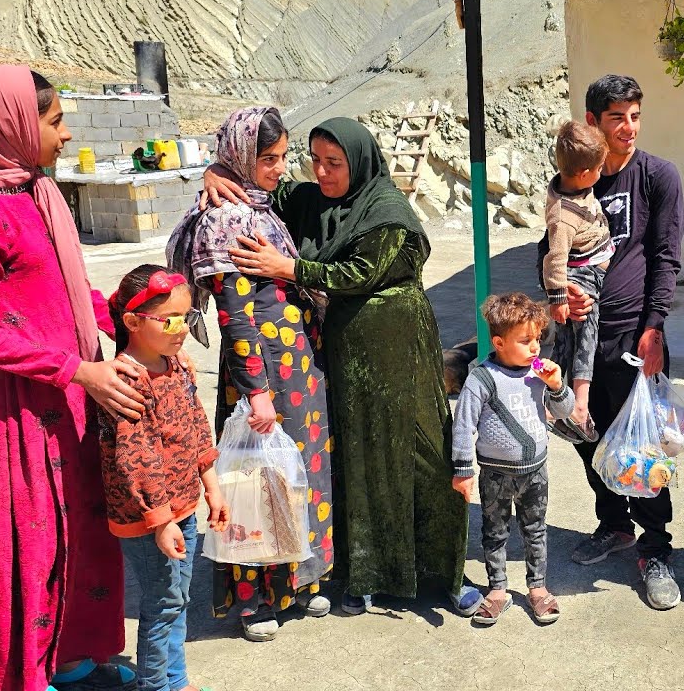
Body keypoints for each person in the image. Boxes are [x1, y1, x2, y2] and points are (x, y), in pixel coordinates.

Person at [206, 116, 482, 618]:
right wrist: (214, 170)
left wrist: (293, 269)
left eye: (335, 163)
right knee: (356, 459)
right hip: (341, 353)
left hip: (397, 348)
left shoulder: (387, 213)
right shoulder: (312, 201)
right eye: (316, 160)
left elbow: (359, 273)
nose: (323, 171)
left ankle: (444, 573)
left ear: (359, 161)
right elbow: (258, 174)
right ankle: (364, 574)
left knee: (421, 452)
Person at [0, 65, 145, 691]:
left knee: (77, 539)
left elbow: (59, 285)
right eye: (54, 121)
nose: (64, 136)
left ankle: (71, 662)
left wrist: (122, 315)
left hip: (68, 400)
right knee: (25, 554)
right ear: (11, 123)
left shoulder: (35, 191)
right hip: (14, 416)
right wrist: (76, 369)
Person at [167, 106, 334, 642]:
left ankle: (296, 584)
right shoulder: (225, 218)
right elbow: (235, 314)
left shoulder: (257, 207)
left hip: (298, 373)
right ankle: (253, 599)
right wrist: (257, 391)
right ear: (240, 157)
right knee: (253, 484)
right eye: (268, 159)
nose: (280, 168)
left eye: (284, 157)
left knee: (295, 477)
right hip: (263, 373)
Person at [543, 74, 684, 611]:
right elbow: (548, 244)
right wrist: (559, 297)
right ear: (594, 123)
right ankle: (614, 524)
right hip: (581, 337)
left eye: (635, 116)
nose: (628, 129)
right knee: (588, 433)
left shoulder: (657, 177)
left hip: (633, 334)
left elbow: (666, 259)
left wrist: (654, 329)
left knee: (644, 447)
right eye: (616, 118)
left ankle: (656, 548)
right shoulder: (577, 175)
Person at [100, 265, 230, 691]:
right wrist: (160, 520)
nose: (183, 330)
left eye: (189, 318)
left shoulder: (178, 364)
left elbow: (195, 426)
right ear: (133, 322)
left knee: (178, 598)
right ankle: (155, 684)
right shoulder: (126, 381)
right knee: (162, 602)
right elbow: (136, 458)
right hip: (147, 517)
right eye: (172, 320)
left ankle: (175, 679)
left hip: (181, 506)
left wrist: (210, 485)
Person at [451, 292, 573, 625]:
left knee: (535, 531)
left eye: (537, 339)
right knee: (495, 532)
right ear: (499, 342)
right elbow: (463, 426)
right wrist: (463, 471)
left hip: (535, 472)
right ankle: (497, 589)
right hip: (495, 474)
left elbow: (564, 412)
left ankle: (537, 588)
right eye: (525, 340)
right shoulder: (482, 378)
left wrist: (558, 385)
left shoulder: (539, 372)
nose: (535, 348)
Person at [542, 120, 612, 442]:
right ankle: (579, 407)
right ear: (584, 173)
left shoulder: (573, 184)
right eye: (599, 168)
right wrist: (558, 300)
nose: (602, 172)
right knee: (586, 331)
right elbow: (554, 258)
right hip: (580, 276)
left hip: (584, 268)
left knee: (565, 342)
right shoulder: (563, 216)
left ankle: (549, 405)